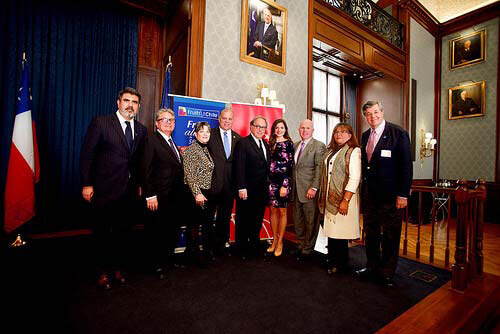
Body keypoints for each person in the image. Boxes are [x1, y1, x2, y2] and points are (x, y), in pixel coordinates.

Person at [80, 87, 147, 289]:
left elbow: (139, 161)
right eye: (126, 100)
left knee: (123, 233)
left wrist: (140, 185)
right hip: (103, 189)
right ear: (118, 103)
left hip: (128, 191)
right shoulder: (101, 123)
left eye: (134, 102)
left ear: (138, 106)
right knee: (102, 233)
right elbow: (87, 155)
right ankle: (102, 272)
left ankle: (118, 269)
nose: (130, 105)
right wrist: (86, 183)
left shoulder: (142, 130)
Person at [356, 101, 412, 287]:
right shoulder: (364, 136)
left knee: (390, 235)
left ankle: (387, 272)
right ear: (365, 117)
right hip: (370, 196)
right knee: (370, 233)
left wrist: (403, 194)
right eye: (369, 114)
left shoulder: (398, 133)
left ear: (382, 111)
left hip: (391, 197)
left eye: (376, 112)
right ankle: (372, 266)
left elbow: (406, 167)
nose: (373, 116)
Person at [141, 108, 190, 279]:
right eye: (165, 120)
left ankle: (165, 260)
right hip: (158, 197)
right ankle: (154, 265)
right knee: (156, 232)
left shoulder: (172, 142)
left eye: (172, 120)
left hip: (174, 197)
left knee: (170, 230)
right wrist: (150, 195)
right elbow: (145, 170)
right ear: (157, 123)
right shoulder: (151, 140)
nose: (169, 123)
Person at [318, 123, 361, 274]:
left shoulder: (354, 151)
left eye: (343, 132)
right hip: (330, 198)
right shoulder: (331, 151)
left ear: (350, 135)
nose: (339, 135)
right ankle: (333, 260)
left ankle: (341, 264)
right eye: (336, 132)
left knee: (341, 233)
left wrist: (345, 200)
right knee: (332, 232)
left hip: (344, 199)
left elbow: (355, 178)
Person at [233, 116, 271, 258]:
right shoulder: (243, 143)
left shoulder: (265, 144)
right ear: (251, 127)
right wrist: (241, 187)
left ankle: (254, 245)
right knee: (243, 220)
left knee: (257, 220)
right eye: (258, 126)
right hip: (247, 191)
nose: (260, 129)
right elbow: (239, 167)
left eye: (263, 127)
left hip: (261, 191)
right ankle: (241, 249)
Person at [207, 108, 241, 255]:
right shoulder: (210, 134)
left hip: (229, 185)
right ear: (219, 119)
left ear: (233, 121)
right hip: (212, 184)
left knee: (224, 216)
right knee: (208, 217)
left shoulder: (238, 138)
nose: (227, 121)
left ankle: (220, 245)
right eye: (224, 118)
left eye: (229, 119)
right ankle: (208, 247)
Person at [292, 119, 326, 260]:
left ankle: (308, 249)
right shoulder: (295, 145)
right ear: (299, 129)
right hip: (296, 191)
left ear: (312, 130)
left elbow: (320, 168)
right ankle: (300, 245)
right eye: (302, 128)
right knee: (298, 220)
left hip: (309, 191)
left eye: (307, 128)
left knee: (311, 221)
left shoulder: (318, 146)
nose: (304, 130)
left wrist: (314, 187)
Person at [183, 122, 216, 263]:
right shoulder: (191, 150)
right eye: (201, 131)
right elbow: (189, 175)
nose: (205, 134)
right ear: (196, 134)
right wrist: (197, 193)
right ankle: (193, 255)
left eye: (207, 131)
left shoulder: (206, 149)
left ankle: (203, 254)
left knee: (206, 224)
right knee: (194, 225)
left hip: (206, 192)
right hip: (195, 193)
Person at [267, 119, 294, 257]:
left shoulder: (289, 144)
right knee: (272, 211)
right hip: (270, 182)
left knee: (282, 212)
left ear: (285, 129)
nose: (279, 130)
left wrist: (285, 185)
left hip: (283, 182)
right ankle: (274, 239)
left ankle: (280, 242)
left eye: (281, 127)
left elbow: (290, 166)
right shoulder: (270, 143)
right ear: (274, 129)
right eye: (276, 127)